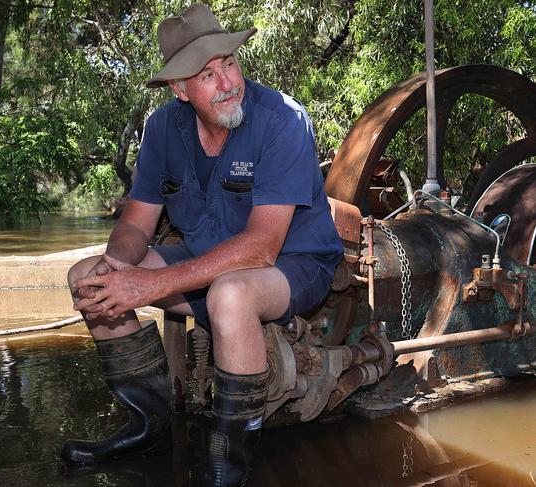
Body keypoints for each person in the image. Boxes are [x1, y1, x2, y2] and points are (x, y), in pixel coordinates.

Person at [60, 3, 343, 485]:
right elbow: (135, 225)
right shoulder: (162, 129)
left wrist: (149, 286)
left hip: (294, 263)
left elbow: (260, 249)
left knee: (229, 294)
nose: (228, 82)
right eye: (207, 74)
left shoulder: (282, 120)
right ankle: (151, 427)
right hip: (205, 256)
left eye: (229, 63)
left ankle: (227, 465)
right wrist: (116, 269)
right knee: (87, 278)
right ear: (179, 88)